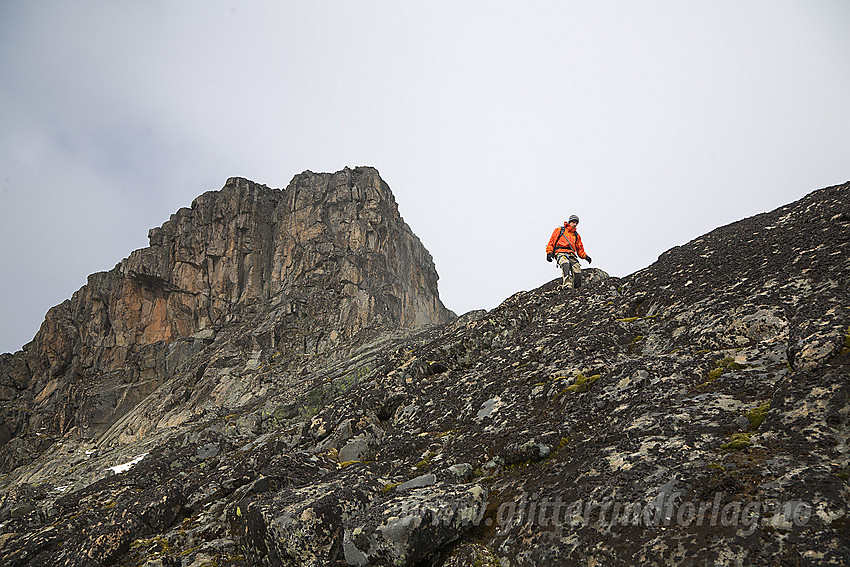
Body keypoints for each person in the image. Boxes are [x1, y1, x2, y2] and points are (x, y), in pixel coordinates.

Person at [546, 214, 592, 289]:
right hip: (560, 252)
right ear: (569, 222)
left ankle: (576, 289)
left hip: (572, 254)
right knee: (565, 264)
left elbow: (579, 249)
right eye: (573, 222)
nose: (575, 224)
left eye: (576, 223)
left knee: (578, 273)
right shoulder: (559, 230)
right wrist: (549, 253)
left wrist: (585, 256)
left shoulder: (576, 236)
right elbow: (551, 242)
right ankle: (567, 285)